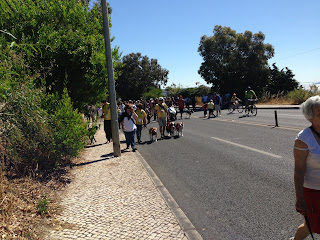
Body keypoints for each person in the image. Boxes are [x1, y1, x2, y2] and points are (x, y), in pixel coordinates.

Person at [291, 95, 320, 240]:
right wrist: (300, 198)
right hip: (314, 192)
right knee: (312, 226)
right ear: (310, 117)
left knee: (313, 225)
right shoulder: (304, 139)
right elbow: (299, 171)